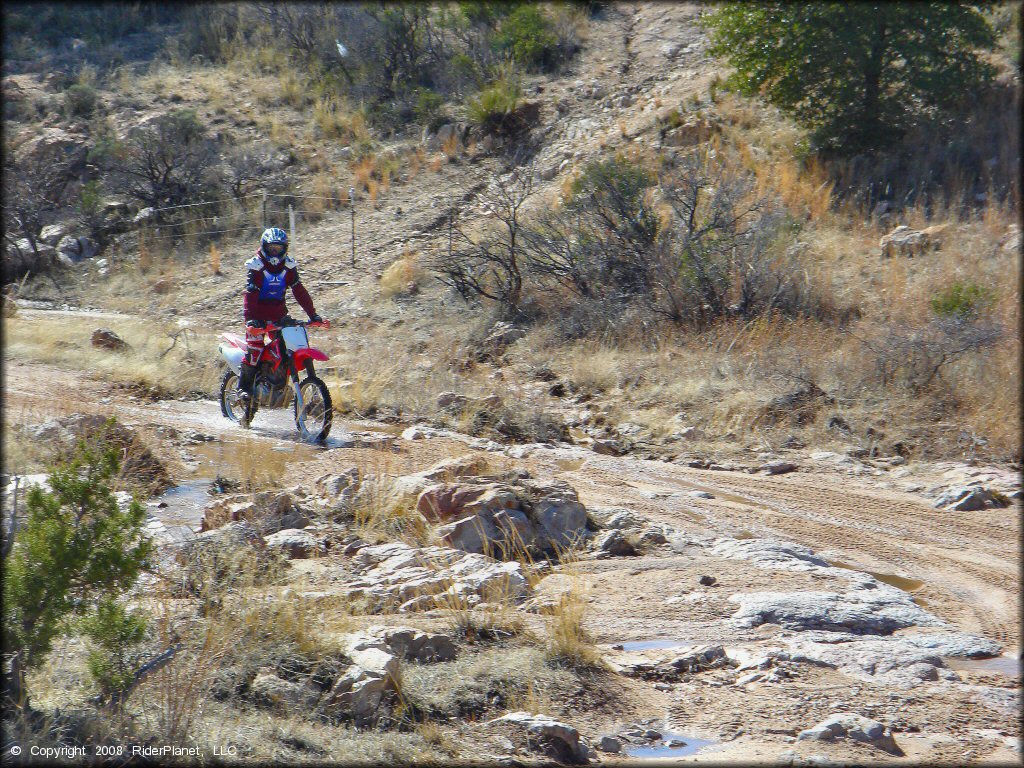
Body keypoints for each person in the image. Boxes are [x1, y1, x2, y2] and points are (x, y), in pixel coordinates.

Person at [237, 227, 325, 403]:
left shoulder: (289, 266)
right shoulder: (256, 266)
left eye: (279, 248)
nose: (275, 252)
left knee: (290, 347)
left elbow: (299, 291)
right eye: (272, 248)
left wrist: (313, 315)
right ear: (264, 247)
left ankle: (282, 386)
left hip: (279, 316)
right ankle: (243, 388)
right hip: (257, 318)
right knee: (255, 349)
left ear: (285, 248)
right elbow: (251, 295)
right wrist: (251, 321)